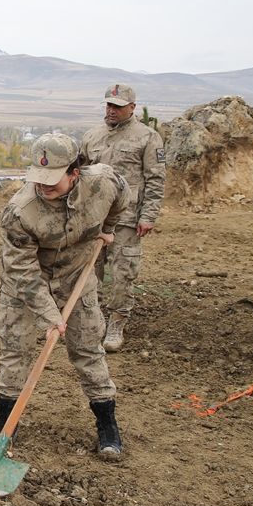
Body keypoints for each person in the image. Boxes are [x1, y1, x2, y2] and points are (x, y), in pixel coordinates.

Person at [0, 133, 129, 458]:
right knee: (15, 349)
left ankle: (107, 427)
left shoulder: (103, 182)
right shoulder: (20, 211)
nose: (43, 186)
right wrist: (50, 317)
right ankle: (6, 424)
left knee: (88, 349)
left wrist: (109, 227)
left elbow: (122, 197)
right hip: (28, 286)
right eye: (39, 177)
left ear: (75, 172)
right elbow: (23, 272)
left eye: (53, 179)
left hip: (78, 276)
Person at [80, 84, 166, 352]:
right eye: (108, 105)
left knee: (122, 273)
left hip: (127, 219)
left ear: (132, 107)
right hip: (94, 218)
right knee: (89, 271)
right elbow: (79, 174)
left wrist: (148, 216)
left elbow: (156, 179)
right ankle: (91, 321)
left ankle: (117, 322)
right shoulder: (93, 136)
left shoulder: (147, 137)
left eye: (117, 106)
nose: (111, 110)